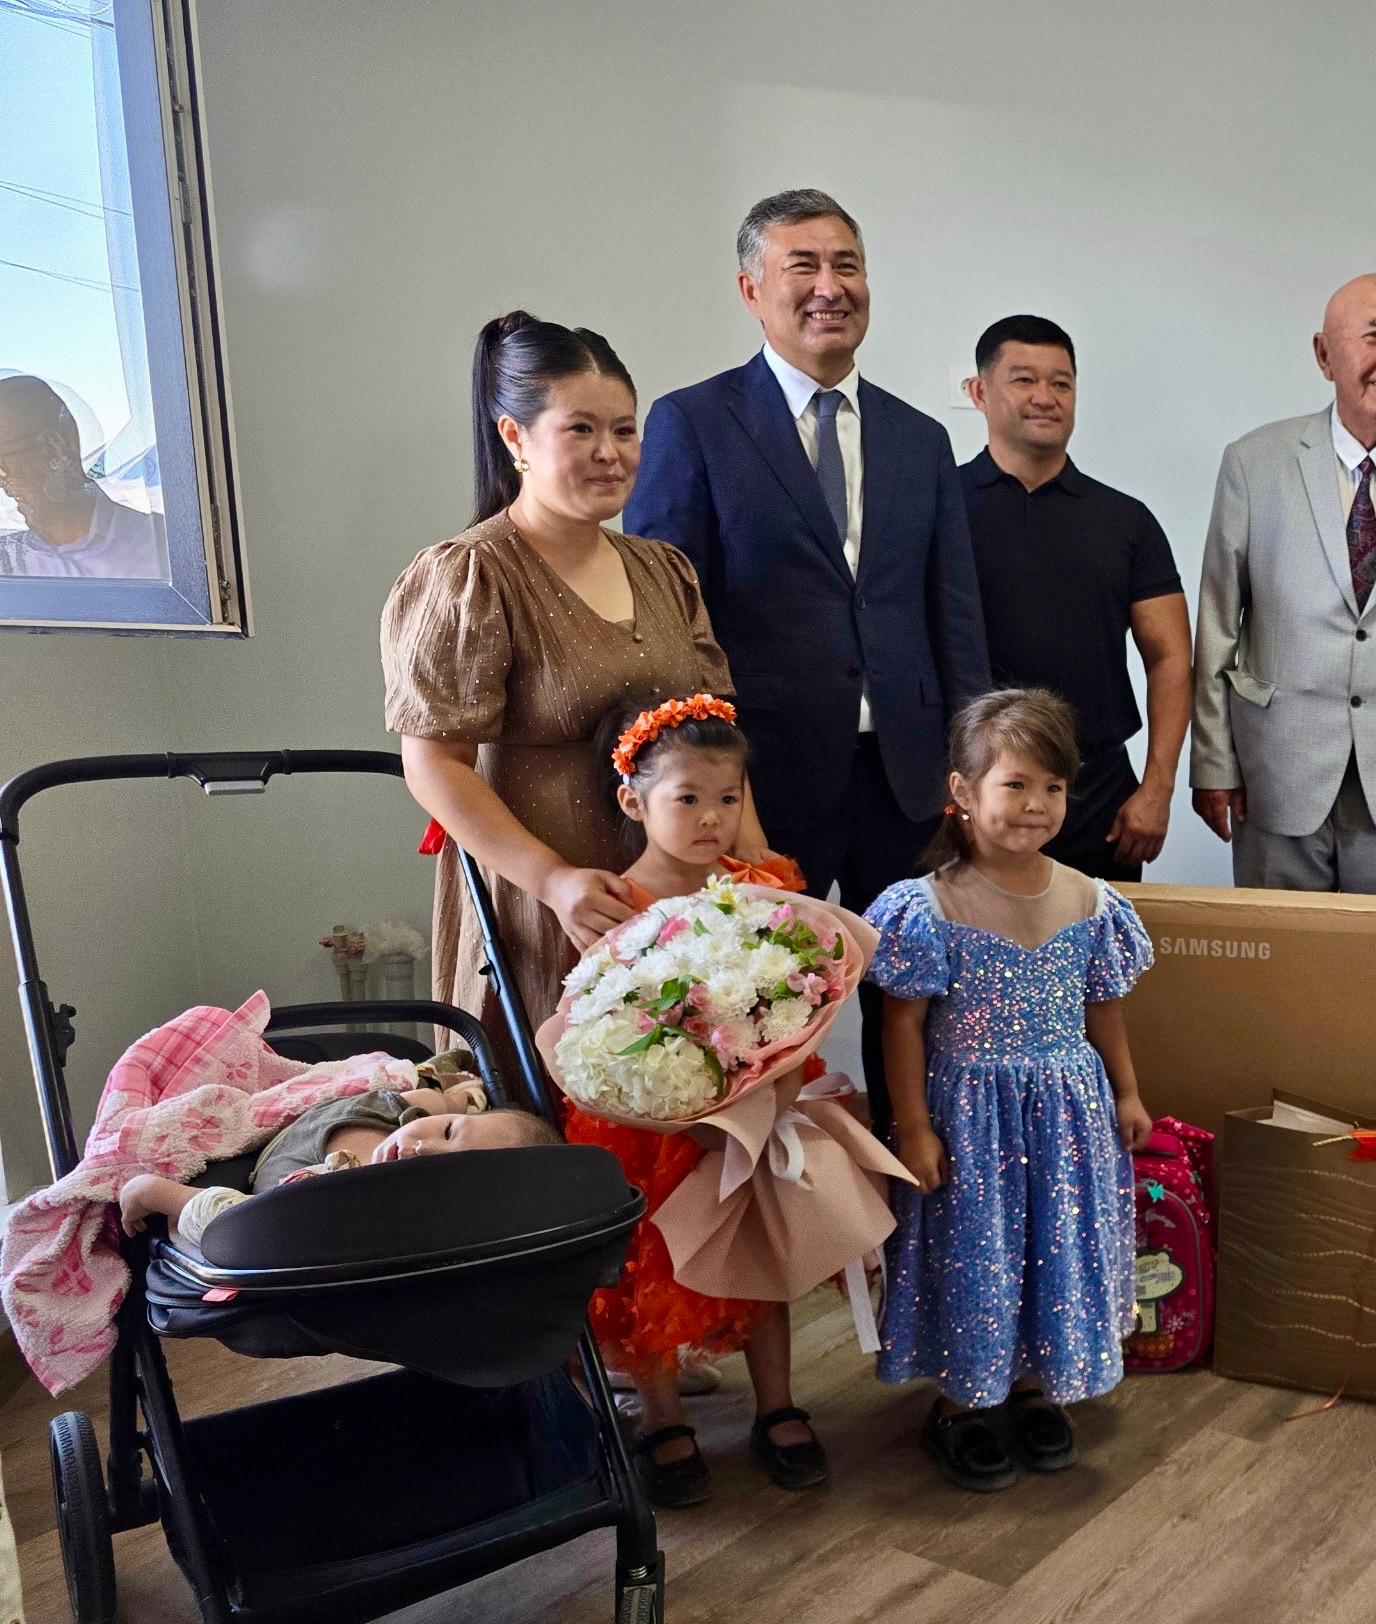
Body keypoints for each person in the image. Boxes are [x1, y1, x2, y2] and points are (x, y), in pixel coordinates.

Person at [622, 189, 990, 1125]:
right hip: (762, 783)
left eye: (847, 266)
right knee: (751, 1006)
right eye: (804, 267)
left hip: (905, 778)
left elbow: (953, 616)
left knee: (919, 1005)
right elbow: (668, 615)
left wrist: (971, 770)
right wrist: (702, 782)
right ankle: (764, 1193)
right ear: (752, 289)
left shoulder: (920, 437)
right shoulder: (694, 421)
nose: (831, 287)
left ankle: (912, 1178)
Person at [381, 311, 759, 1075]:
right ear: (515, 438)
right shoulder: (470, 575)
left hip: (671, 899)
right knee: (553, 1107)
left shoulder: (665, 570)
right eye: (580, 429)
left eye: (624, 430)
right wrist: (553, 883)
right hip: (543, 903)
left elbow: (717, 737)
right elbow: (434, 764)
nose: (609, 453)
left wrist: (758, 876)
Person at [863, 690, 1154, 1492]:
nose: (1035, 805)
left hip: (1068, 1113)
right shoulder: (926, 906)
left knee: (1052, 1245)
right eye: (1015, 784)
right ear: (962, 792)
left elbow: (1104, 1006)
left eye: (1051, 787)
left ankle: (1032, 1385)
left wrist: (1127, 1093)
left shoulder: (1091, 899)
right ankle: (961, 1401)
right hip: (970, 1118)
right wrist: (913, 1127)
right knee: (978, 1252)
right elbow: (900, 1026)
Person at [544, 693, 826, 1505]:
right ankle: (663, 1416)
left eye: (728, 798)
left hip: (750, 1109)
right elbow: (596, 1022)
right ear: (634, 803)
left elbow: (802, 993)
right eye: (688, 798)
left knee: (760, 1248)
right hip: (646, 1122)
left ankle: (777, 1403)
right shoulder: (614, 907)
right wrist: (674, 1104)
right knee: (650, 1262)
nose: (711, 818)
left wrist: (770, 1085)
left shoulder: (761, 888)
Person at [1189, 274, 1376, 896]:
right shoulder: (1254, 462)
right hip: (1277, 764)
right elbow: (1217, 623)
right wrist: (1213, 761)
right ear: (1324, 355)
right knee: (1279, 950)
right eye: (1374, 335)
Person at [960, 316, 1191, 881]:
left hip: (1098, 797)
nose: (1046, 397)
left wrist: (1157, 788)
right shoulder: (939, 510)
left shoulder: (1126, 520)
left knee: (1097, 939)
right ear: (979, 392)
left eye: (1061, 383)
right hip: (972, 789)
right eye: (1023, 380)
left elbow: (1170, 657)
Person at [115, 1075, 555, 1243]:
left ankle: (447, 1099)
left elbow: (230, 1220)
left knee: (245, 1226)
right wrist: (454, 1102)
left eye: (444, 1170)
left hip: (305, 1164)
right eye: (449, 1134)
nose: (425, 1150)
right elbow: (425, 1124)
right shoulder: (405, 1125)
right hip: (368, 1110)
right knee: (416, 1105)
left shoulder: (331, 1206)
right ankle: (451, 1095)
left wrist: (154, 1191)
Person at [0, 374, 164, 579]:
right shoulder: (9, 561)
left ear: (54, 450)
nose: (2, 483)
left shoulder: (164, 550)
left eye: (2, 463)